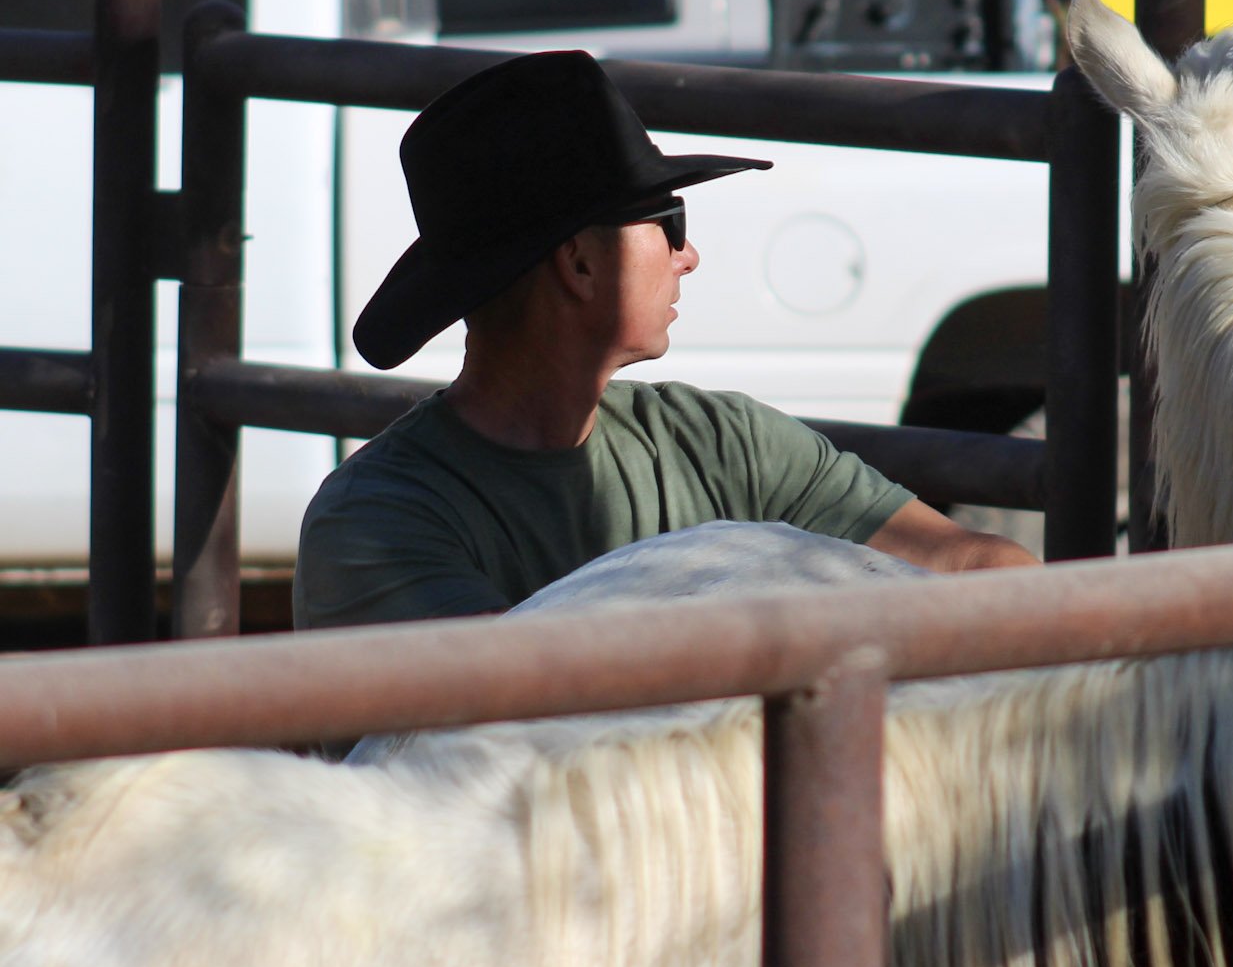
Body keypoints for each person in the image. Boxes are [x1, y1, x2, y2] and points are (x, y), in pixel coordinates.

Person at [294, 50, 1036, 630]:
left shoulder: (724, 440)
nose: (689, 255)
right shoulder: (377, 520)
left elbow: (977, 563)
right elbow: (532, 722)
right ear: (581, 264)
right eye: (669, 222)